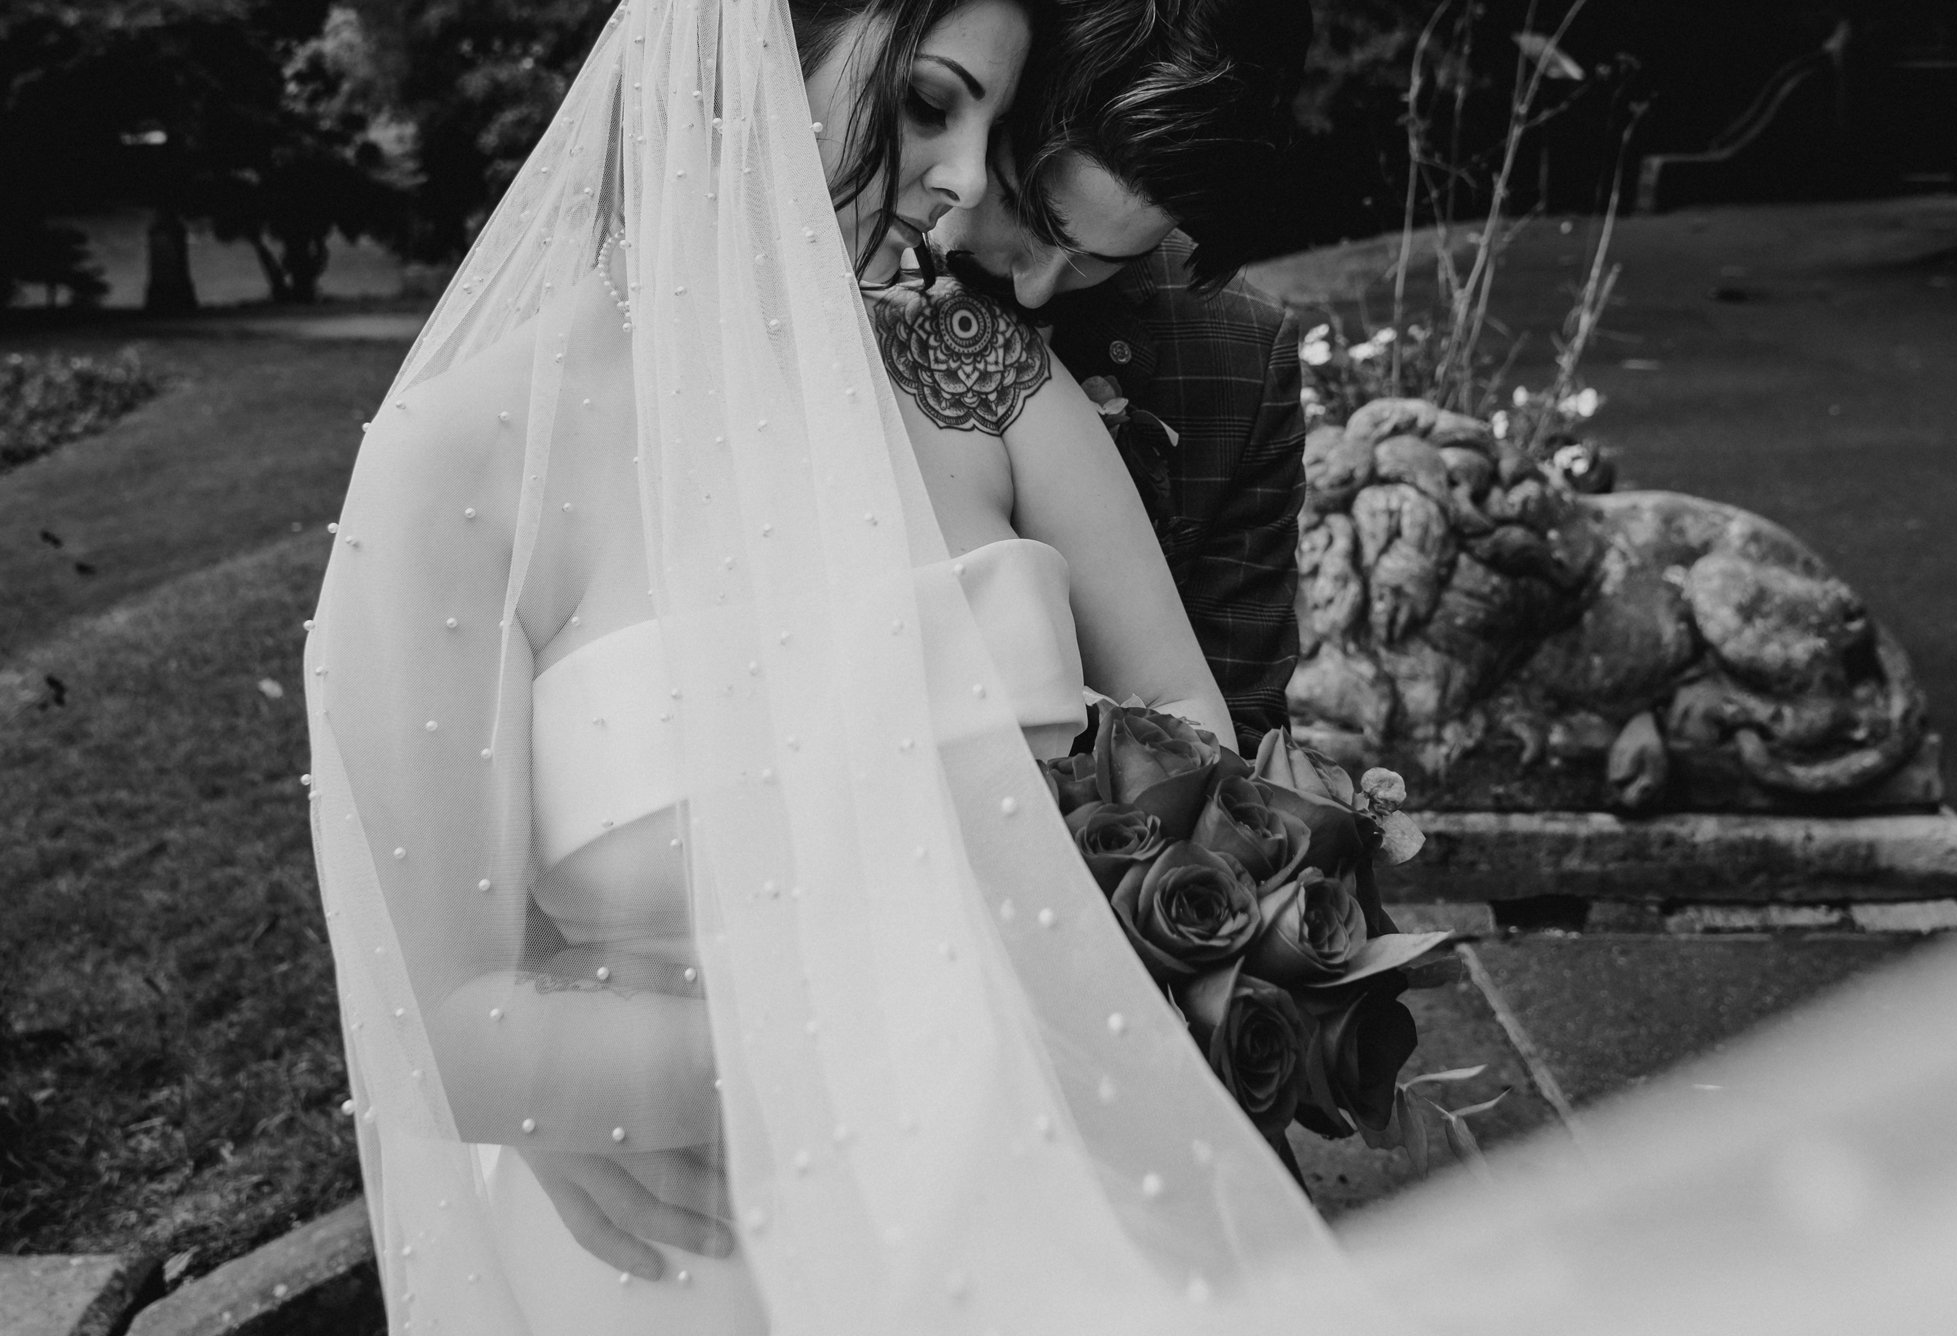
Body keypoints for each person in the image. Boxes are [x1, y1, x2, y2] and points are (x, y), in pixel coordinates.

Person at [304, 0, 1413, 1331]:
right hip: (703, 1250)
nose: (958, 187)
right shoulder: (452, 467)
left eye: (993, 125)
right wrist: (628, 1092)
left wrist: (1154, 962)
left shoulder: (979, 379)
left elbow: (1197, 751)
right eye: (934, 106)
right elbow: (458, 1029)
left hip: (1049, 1202)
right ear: (739, 57)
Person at [932, 0, 1314, 755]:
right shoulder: (825, 263)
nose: (1035, 289)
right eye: (1027, 210)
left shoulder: (1239, 356)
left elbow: (1244, 721)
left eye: (1102, 261)